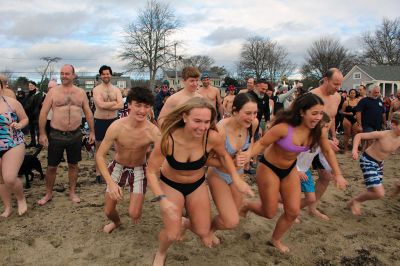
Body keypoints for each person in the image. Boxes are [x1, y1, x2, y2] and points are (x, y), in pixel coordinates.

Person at [146, 97, 254, 266]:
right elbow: (151, 171)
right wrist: (162, 199)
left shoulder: (211, 137)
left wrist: (236, 179)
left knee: (203, 230)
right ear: (184, 117)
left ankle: (184, 222)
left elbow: (224, 156)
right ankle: (161, 253)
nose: (202, 127)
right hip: (171, 184)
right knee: (172, 234)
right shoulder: (168, 139)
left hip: (196, 184)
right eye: (197, 121)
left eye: (206, 122)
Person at [241, 93, 346, 253]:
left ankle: (275, 239)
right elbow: (262, 143)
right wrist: (248, 155)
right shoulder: (284, 128)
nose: (318, 117)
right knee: (269, 212)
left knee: (293, 211)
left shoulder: (317, 131)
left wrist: (338, 174)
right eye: (314, 113)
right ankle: (247, 205)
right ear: (302, 112)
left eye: (320, 113)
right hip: (269, 168)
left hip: (289, 169)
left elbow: (327, 150)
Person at [96, 87, 160, 233]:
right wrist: (110, 183)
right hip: (118, 166)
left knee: (134, 214)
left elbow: (163, 156)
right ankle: (116, 222)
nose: (142, 111)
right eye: (138, 105)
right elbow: (100, 155)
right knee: (108, 211)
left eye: (146, 106)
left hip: (139, 169)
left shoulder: (153, 132)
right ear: (129, 104)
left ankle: (135, 209)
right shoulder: (117, 127)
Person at [37, 64, 95, 205]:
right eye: (62, 73)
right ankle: (48, 193)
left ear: (73, 75)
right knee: (51, 166)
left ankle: (72, 192)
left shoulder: (80, 92)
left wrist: (92, 131)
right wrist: (42, 133)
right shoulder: (53, 92)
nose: (64, 76)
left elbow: (88, 112)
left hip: (75, 134)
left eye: (67, 73)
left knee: (73, 165)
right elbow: (43, 113)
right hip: (56, 134)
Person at [207, 93, 258, 241]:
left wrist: (248, 153)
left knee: (234, 214)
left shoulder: (252, 124)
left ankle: (209, 230)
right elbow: (206, 160)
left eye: (255, 113)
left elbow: (253, 141)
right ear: (235, 111)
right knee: (231, 221)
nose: (252, 117)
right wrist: (231, 162)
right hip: (218, 174)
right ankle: (202, 229)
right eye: (248, 113)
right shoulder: (220, 130)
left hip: (238, 174)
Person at [348, 112, 400, 215]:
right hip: (368, 161)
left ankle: (351, 203)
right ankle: (356, 201)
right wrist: (354, 150)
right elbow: (359, 135)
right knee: (379, 193)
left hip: (380, 164)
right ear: (393, 125)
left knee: (373, 190)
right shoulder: (383, 134)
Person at [308, 68, 343, 220]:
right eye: (335, 84)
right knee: (294, 176)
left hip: (323, 141)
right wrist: (323, 139)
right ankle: (286, 207)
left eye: (340, 84)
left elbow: (332, 118)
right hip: (306, 141)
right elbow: (298, 121)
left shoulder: (337, 98)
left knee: (326, 176)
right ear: (326, 80)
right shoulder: (311, 96)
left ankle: (312, 207)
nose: (338, 88)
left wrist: (333, 136)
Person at [0, 77, 29, 217]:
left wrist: (19, 124)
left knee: (10, 177)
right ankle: (7, 207)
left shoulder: (11, 102)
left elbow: (25, 118)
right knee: (0, 179)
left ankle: (21, 198)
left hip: (13, 142)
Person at [93, 65, 123, 183]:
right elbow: (100, 105)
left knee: (117, 147)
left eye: (108, 73)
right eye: (104, 74)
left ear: (111, 74)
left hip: (113, 120)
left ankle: (117, 171)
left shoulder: (116, 89)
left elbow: (121, 105)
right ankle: (98, 173)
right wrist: (114, 102)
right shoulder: (96, 90)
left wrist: (109, 105)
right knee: (99, 148)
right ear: (101, 75)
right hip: (100, 121)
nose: (106, 76)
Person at [355, 84, 386, 151]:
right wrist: (359, 125)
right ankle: (367, 155)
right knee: (370, 140)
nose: (377, 94)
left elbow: (383, 113)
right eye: (375, 92)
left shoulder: (379, 101)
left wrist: (384, 123)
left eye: (378, 92)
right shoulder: (364, 101)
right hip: (367, 125)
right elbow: (358, 112)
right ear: (370, 91)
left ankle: (366, 153)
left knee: (373, 141)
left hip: (377, 125)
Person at [24, 81, 45, 147]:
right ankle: (33, 142)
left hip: (36, 114)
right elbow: (26, 104)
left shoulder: (39, 94)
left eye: (32, 85)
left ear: (35, 86)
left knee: (38, 129)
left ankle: (39, 143)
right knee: (31, 129)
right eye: (29, 85)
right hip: (30, 115)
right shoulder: (28, 95)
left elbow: (39, 104)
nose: (30, 87)